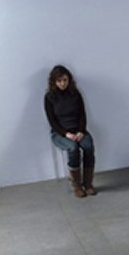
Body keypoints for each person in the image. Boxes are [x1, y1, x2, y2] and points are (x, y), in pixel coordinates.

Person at [44, 64, 97, 197]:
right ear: (54, 81)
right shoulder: (49, 98)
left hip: (78, 130)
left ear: (69, 80)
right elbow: (52, 122)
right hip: (60, 133)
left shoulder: (76, 94)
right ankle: (77, 185)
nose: (62, 83)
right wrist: (66, 134)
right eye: (59, 81)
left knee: (88, 145)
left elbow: (82, 115)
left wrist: (81, 131)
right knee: (73, 148)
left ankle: (88, 184)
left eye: (65, 80)